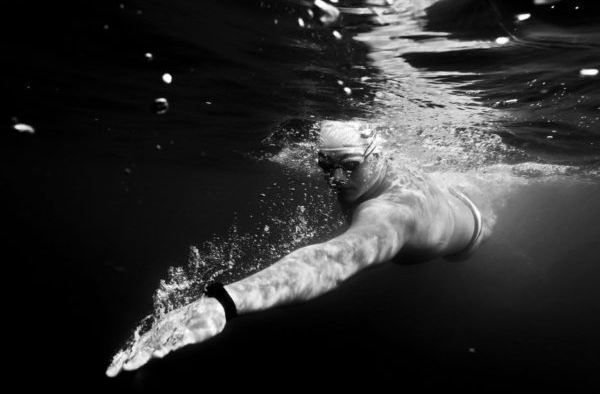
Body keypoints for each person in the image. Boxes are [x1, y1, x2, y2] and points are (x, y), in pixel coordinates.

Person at [106, 120, 494, 377]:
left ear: (377, 158)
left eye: (351, 166)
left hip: (475, 227)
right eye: (326, 166)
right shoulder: (376, 173)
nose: (337, 179)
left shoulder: (392, 214)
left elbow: (332, 259)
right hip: (452, 203)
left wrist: (225, 302)